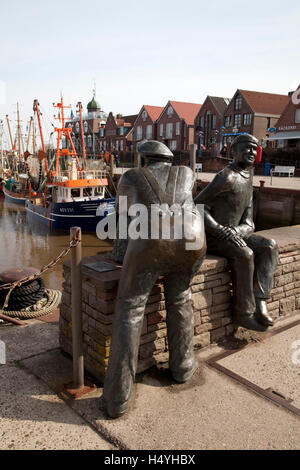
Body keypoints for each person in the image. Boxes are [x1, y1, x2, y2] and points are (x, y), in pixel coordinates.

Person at [101, 140, 206, 418]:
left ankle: (117, 398)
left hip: (152, 238)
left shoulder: (131, 176)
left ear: (144, 159)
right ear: (168, 160)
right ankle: (182, 367)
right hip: (193, 238)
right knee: (180, 296)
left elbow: (122, 221)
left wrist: (123, 256)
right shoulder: (187, 173)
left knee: (130, 309)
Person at [195, 134, 278, 332]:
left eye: (254, 148)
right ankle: (244, 313)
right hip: (216, 237)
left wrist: (238, 231)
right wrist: (219, 229)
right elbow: (197, 205)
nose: (250, 151)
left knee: (270, 246)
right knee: (245, 254)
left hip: (235, 233)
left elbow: (249, 220)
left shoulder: (248, 177)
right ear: (234, 150)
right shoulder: (226, 176)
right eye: (246, 147)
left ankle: (260, 302)